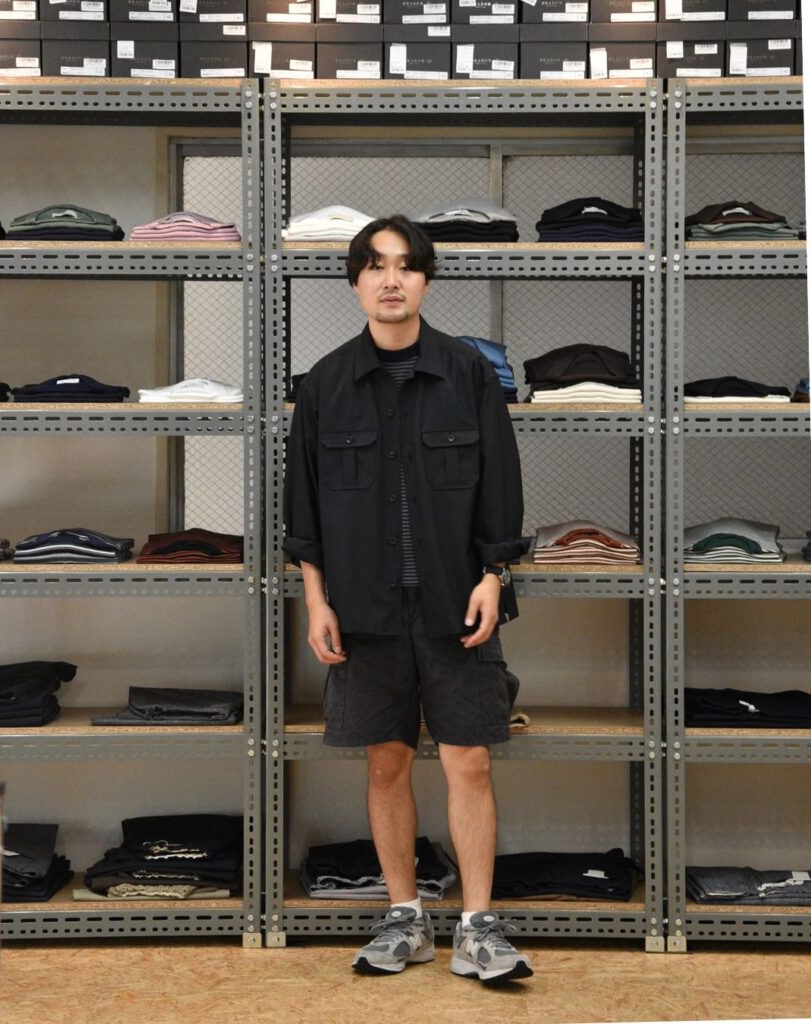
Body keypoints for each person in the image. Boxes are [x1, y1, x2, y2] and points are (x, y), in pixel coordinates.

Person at [284, 214, 532, 985]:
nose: (390, 279)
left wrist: (493, 577)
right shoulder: (324, 385)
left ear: (425, 279)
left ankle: (478, 927)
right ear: (355, 280)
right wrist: (316, 601)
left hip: (457, 605)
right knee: (385, 763)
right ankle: (404, 919)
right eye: (375, 265)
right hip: (363, 610)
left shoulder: (467, 374)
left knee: (469, 762)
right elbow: (304, 507)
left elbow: (500, 486)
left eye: (405, 266)